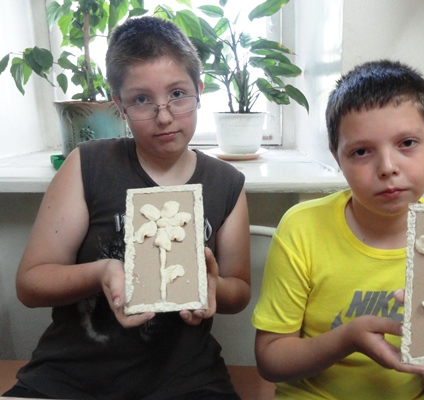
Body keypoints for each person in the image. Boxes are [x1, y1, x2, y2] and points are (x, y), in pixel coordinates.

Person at [3, 16, 250, 400]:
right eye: (141, 100)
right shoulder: (88, 165)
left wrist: (213, 285)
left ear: (199, 91)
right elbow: (30, 285)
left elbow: (240, 290)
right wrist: (102, 271)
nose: (164, 116)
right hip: (72, 375)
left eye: (178, 94)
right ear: (119, 105)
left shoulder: (226, 183)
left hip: (186, 380)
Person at [251, 59, 424, 399]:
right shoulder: (302, 228)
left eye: (407, 143)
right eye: (361, 151)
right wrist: (346, 339)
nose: (387, 167)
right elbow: (271, 360)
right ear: (337, 158)